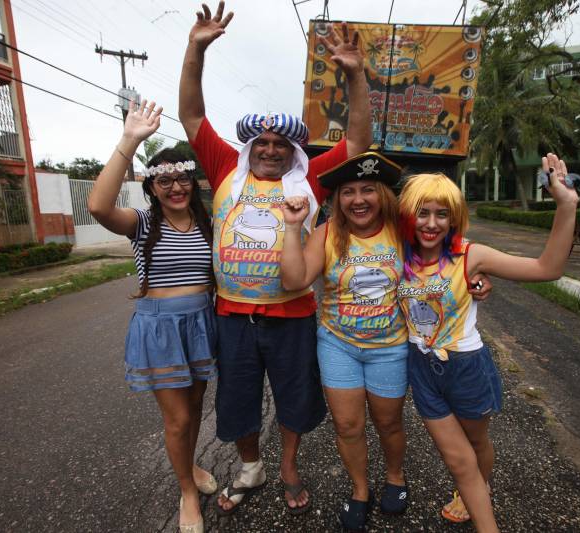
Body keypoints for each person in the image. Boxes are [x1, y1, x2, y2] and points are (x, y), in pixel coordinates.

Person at [177, 1, 373, 516]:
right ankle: (250, 466)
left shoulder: (308, 180)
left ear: (293, 151)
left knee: (294, 398)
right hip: (234, 315)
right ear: (248, 147)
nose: (268, 149)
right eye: (260, 142)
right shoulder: (225, 169)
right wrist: (195, 48)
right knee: (237, 401)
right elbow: (192, 115)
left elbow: (357, 139)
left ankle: (286, 465)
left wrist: (354, 77)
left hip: (293, 314)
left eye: (279, 143)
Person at [396, 153, 579, 533]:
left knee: (476, 443)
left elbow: (547, 269)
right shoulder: (398, 256)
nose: (431, 223)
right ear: (408, 215)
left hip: (466, 367)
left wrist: (566, 205)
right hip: (422, 366)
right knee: (456, 458)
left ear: (454, 218)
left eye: (441, 214)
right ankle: (473, 490)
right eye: (422, 213)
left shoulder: (471, 255)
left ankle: (477, 490)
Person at [87, 99, 217, 533]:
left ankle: (192, 465)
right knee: (177, 417)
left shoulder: (208, 225)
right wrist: (130, 139)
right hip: (160, 328)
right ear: (153, 189)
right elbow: (99, 207)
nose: (175, 187)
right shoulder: (142, 222)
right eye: (165, 181)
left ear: (193, 183)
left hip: (202, 323)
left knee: (196, 406)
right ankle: (186, 492)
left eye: (182, 179)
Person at [280, 152, 410, 532]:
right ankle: (360, 490)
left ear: (382, 194)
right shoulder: (326, 232)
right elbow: (294, 280)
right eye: (348, 192)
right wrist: (292, 226)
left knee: (389, 423)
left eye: (368, 189)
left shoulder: (401, 230)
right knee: (348, 426)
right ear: (338, 199)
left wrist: (474, 281)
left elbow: (443, 262)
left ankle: (396, 477)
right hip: (339, 345)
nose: (358, 199)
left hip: (391, 346)